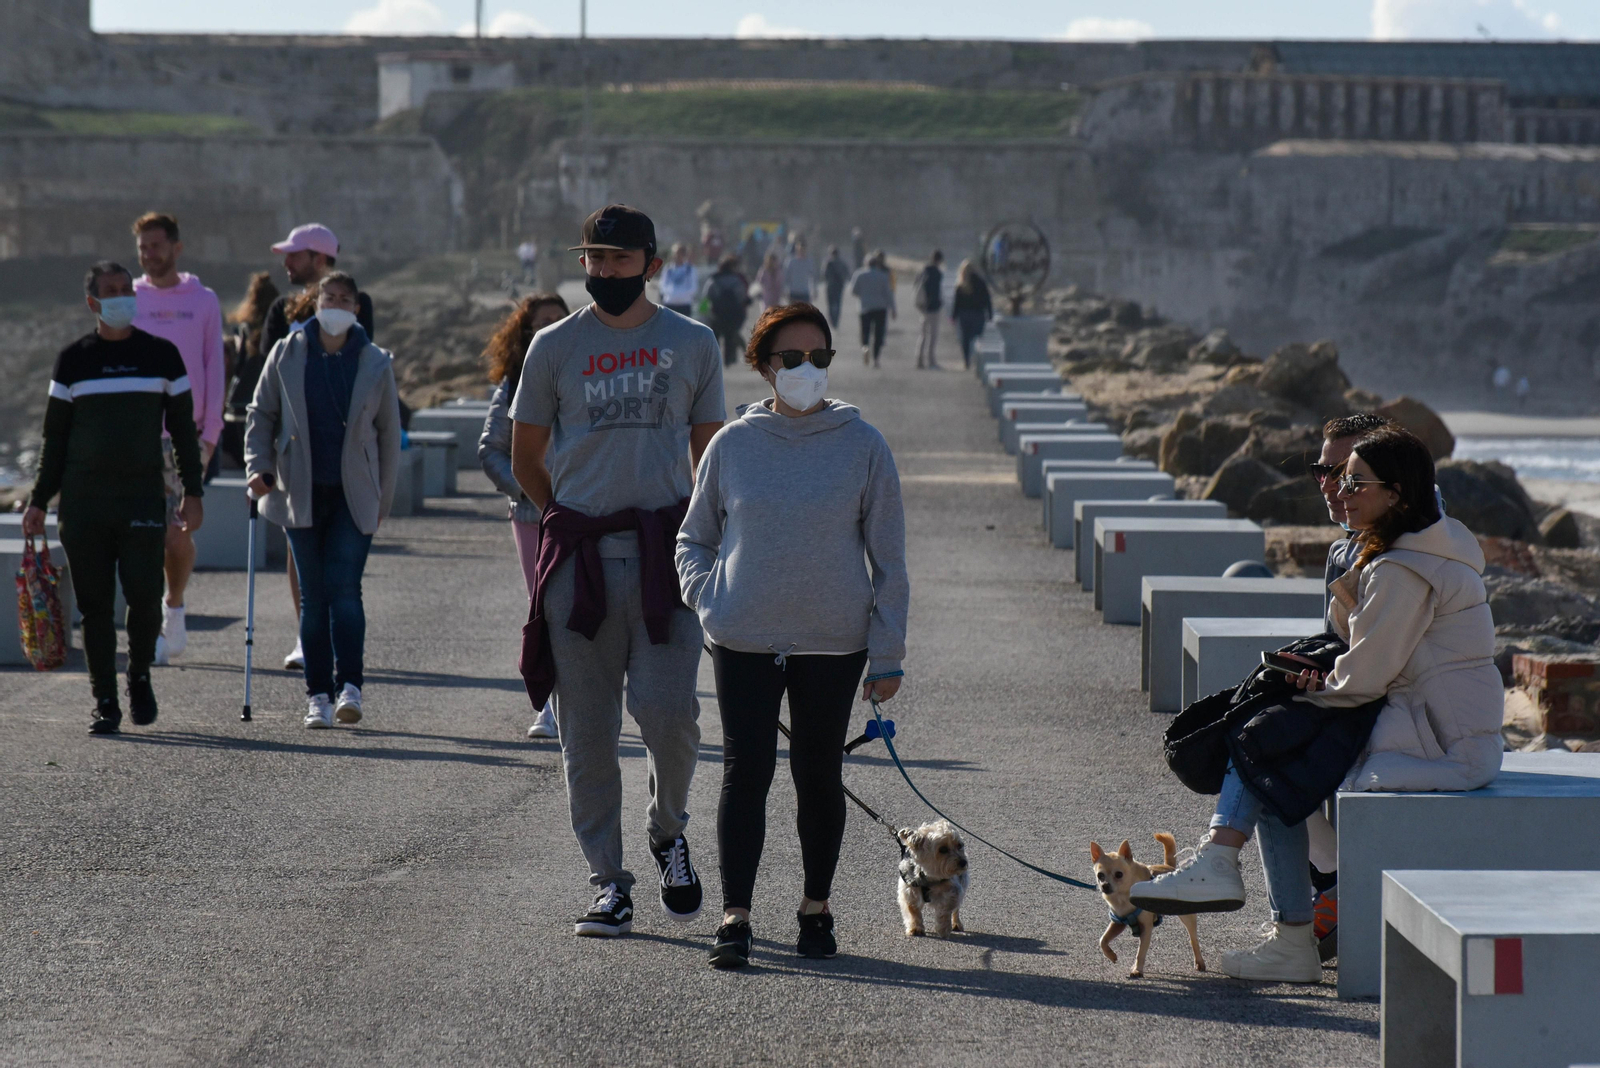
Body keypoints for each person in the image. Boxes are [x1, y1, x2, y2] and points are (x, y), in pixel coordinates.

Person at [1131, 427, 1502, 983]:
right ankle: (1258, 898)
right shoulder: (1399, 551)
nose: (1340, 490)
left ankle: (1262, 901)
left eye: (1356, 481)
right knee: (1271, 741)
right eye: (1336, 477)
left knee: (1272, 747)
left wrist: (1319, 685)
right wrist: (1319, 673)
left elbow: (1369, 673)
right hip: (1416, 718)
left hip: (1441, 740)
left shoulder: (1404, 568)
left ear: (1397, 493)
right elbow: (1370, 658)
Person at [509, 204, 725, 938]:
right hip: (580, 567)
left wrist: (707, 537)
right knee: (588, 736)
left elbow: (712, 455)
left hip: (667, 562)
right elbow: (525, 457)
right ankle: (608, 880)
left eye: (618, 261)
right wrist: (568, 522)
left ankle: (668, 832)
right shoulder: (551, 346)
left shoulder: (693, 343)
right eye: (593, 260)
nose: (602, 273)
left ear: (652, 266)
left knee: (672, 716)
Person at [677, 301, 908, 968]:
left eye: (820, 357)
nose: (807, 369)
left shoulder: (863, 444)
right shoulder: (733, 443)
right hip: (743, 637)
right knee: (744, 773)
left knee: (818, 773)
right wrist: (710, 601)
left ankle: (816, 908)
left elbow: (889, 559)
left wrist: (887, 652)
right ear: (763, 364)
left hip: (835, 642)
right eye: (792, 357)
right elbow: (693, 540)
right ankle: (735, 915)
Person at [23, 262, 205, 734]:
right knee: (95, 608)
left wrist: (193, 491)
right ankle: (105, 700)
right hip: (83, 504)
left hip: (143, 498)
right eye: (111, 291)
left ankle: (139, 673)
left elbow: (184, 431)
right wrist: (39, 500)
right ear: (93, 303)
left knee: (144, 598)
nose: (123, 296)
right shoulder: (73, 360)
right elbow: (54, 438)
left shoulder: (162, 356)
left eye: (127, 289)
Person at [244, 272, 401, 730]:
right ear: (314, 304)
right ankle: (318, 695)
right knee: (313, 599)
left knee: (346, 591)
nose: (334, 304)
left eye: (344, 299)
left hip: (355, 496)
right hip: (299, 492)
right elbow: (261, 415)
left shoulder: (375, 361)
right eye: (327, 297)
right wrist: (258, 467)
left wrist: (383, 500)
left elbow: (390, 435)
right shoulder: (287, 352)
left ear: (356, 308)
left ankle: (350, 686)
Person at [261, 223, 377, 672]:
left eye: (296, 255)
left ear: (320, 258)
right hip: (295, 448)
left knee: (340, 570)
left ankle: (334, 646)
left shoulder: (354, 305)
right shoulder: (280, 308)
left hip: (341, 450)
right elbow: (268, 372)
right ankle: (304, 632)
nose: (287, 263)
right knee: (300, 551)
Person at [127, 213, 224, 666]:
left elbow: (215, 370)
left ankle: (175, 606)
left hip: (183, 435)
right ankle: (148, 626)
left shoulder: (203, 301)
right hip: (135, 434)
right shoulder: (128, 298)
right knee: (138, 536)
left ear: (176, 248)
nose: (149, 254)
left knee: (176, 535)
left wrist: (209, 438)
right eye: (143, 247)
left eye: (157, 245)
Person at [478, 292, 572, 740]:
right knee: (545, 608)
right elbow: (491, 449)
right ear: (526, 330)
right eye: (541, 321)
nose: (549, 327)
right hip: (532, 518)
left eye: (558, 319)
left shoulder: (582, 373)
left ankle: (589, 701)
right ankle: (551, 707)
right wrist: (529, 488)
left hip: (584, 515)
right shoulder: (514, 384)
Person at [220, 272, 280, 469]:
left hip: (242, 396)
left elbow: (238, 363)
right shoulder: (277, 326)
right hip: (268, 393)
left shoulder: (245, 327)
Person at [849, 251, 895, 368]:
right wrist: (893, 308)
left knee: (865, 331)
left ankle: (865, 347)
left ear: (866, 264)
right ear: (877, 264)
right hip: (880, 308)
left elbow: (853, 291)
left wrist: (863, 295)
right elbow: (888, 294)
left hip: (864, 307)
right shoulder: (883, 276)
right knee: (878, 334)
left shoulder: (859, 274)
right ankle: (876, 359)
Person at [706, 255, 752, 368]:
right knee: (730, 336)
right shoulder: (737, 280)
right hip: (734, 314)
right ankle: (729, 360)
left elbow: (706, 296)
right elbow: (742, 297)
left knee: (714, 337)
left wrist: (704, 313)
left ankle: (713, 360)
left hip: (717, 314)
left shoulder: (713, 279)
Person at [949, 259, 993, 370]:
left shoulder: (961, 284)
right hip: (978, 314)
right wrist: (990, 313)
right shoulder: (981, 282)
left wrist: (953, 316)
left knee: (965, 339)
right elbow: (987, 299)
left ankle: (966, 361)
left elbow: (956, 303)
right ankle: (977, 362)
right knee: (977, 339)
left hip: (964, 315)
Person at [912, 250, 944, 370]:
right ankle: (931, 361)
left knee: (923, 335)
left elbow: (916, 285)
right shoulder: (937, 273)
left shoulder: (923, 271)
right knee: (933, 335)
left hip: (923, 306)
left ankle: (919, 360)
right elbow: (936, 291)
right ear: (939, 260)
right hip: (933, 307)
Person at [657, 242, 698, 317]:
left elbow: (693, 287)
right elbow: (662, 285)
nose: (677, 256)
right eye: (675, 253)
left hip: (684, 305)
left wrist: (681, 294)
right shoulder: (668, 269)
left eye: (680, 253)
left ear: (684, 255)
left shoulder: (690, 269)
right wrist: (671, 293)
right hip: (670, 304)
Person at [822, 246, 850, 328]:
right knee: (838, 303)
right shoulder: (842, 263)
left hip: (830, 286)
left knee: (830, 304)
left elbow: (824, 274)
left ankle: (832, 320)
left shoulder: (828, 262)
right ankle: (836, 321)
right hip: (839, 286)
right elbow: (846, 273)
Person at [783, 240, 816, 306]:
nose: (801, 251)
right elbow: (785, 276)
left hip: (804, 292)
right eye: (800, 249)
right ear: (797, 249)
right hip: (793, 292)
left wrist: (814, 290)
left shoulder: (809, 262)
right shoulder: (791, 261)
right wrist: (784, 290)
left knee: (804, 314)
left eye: (803, 249)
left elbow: (813, 276)